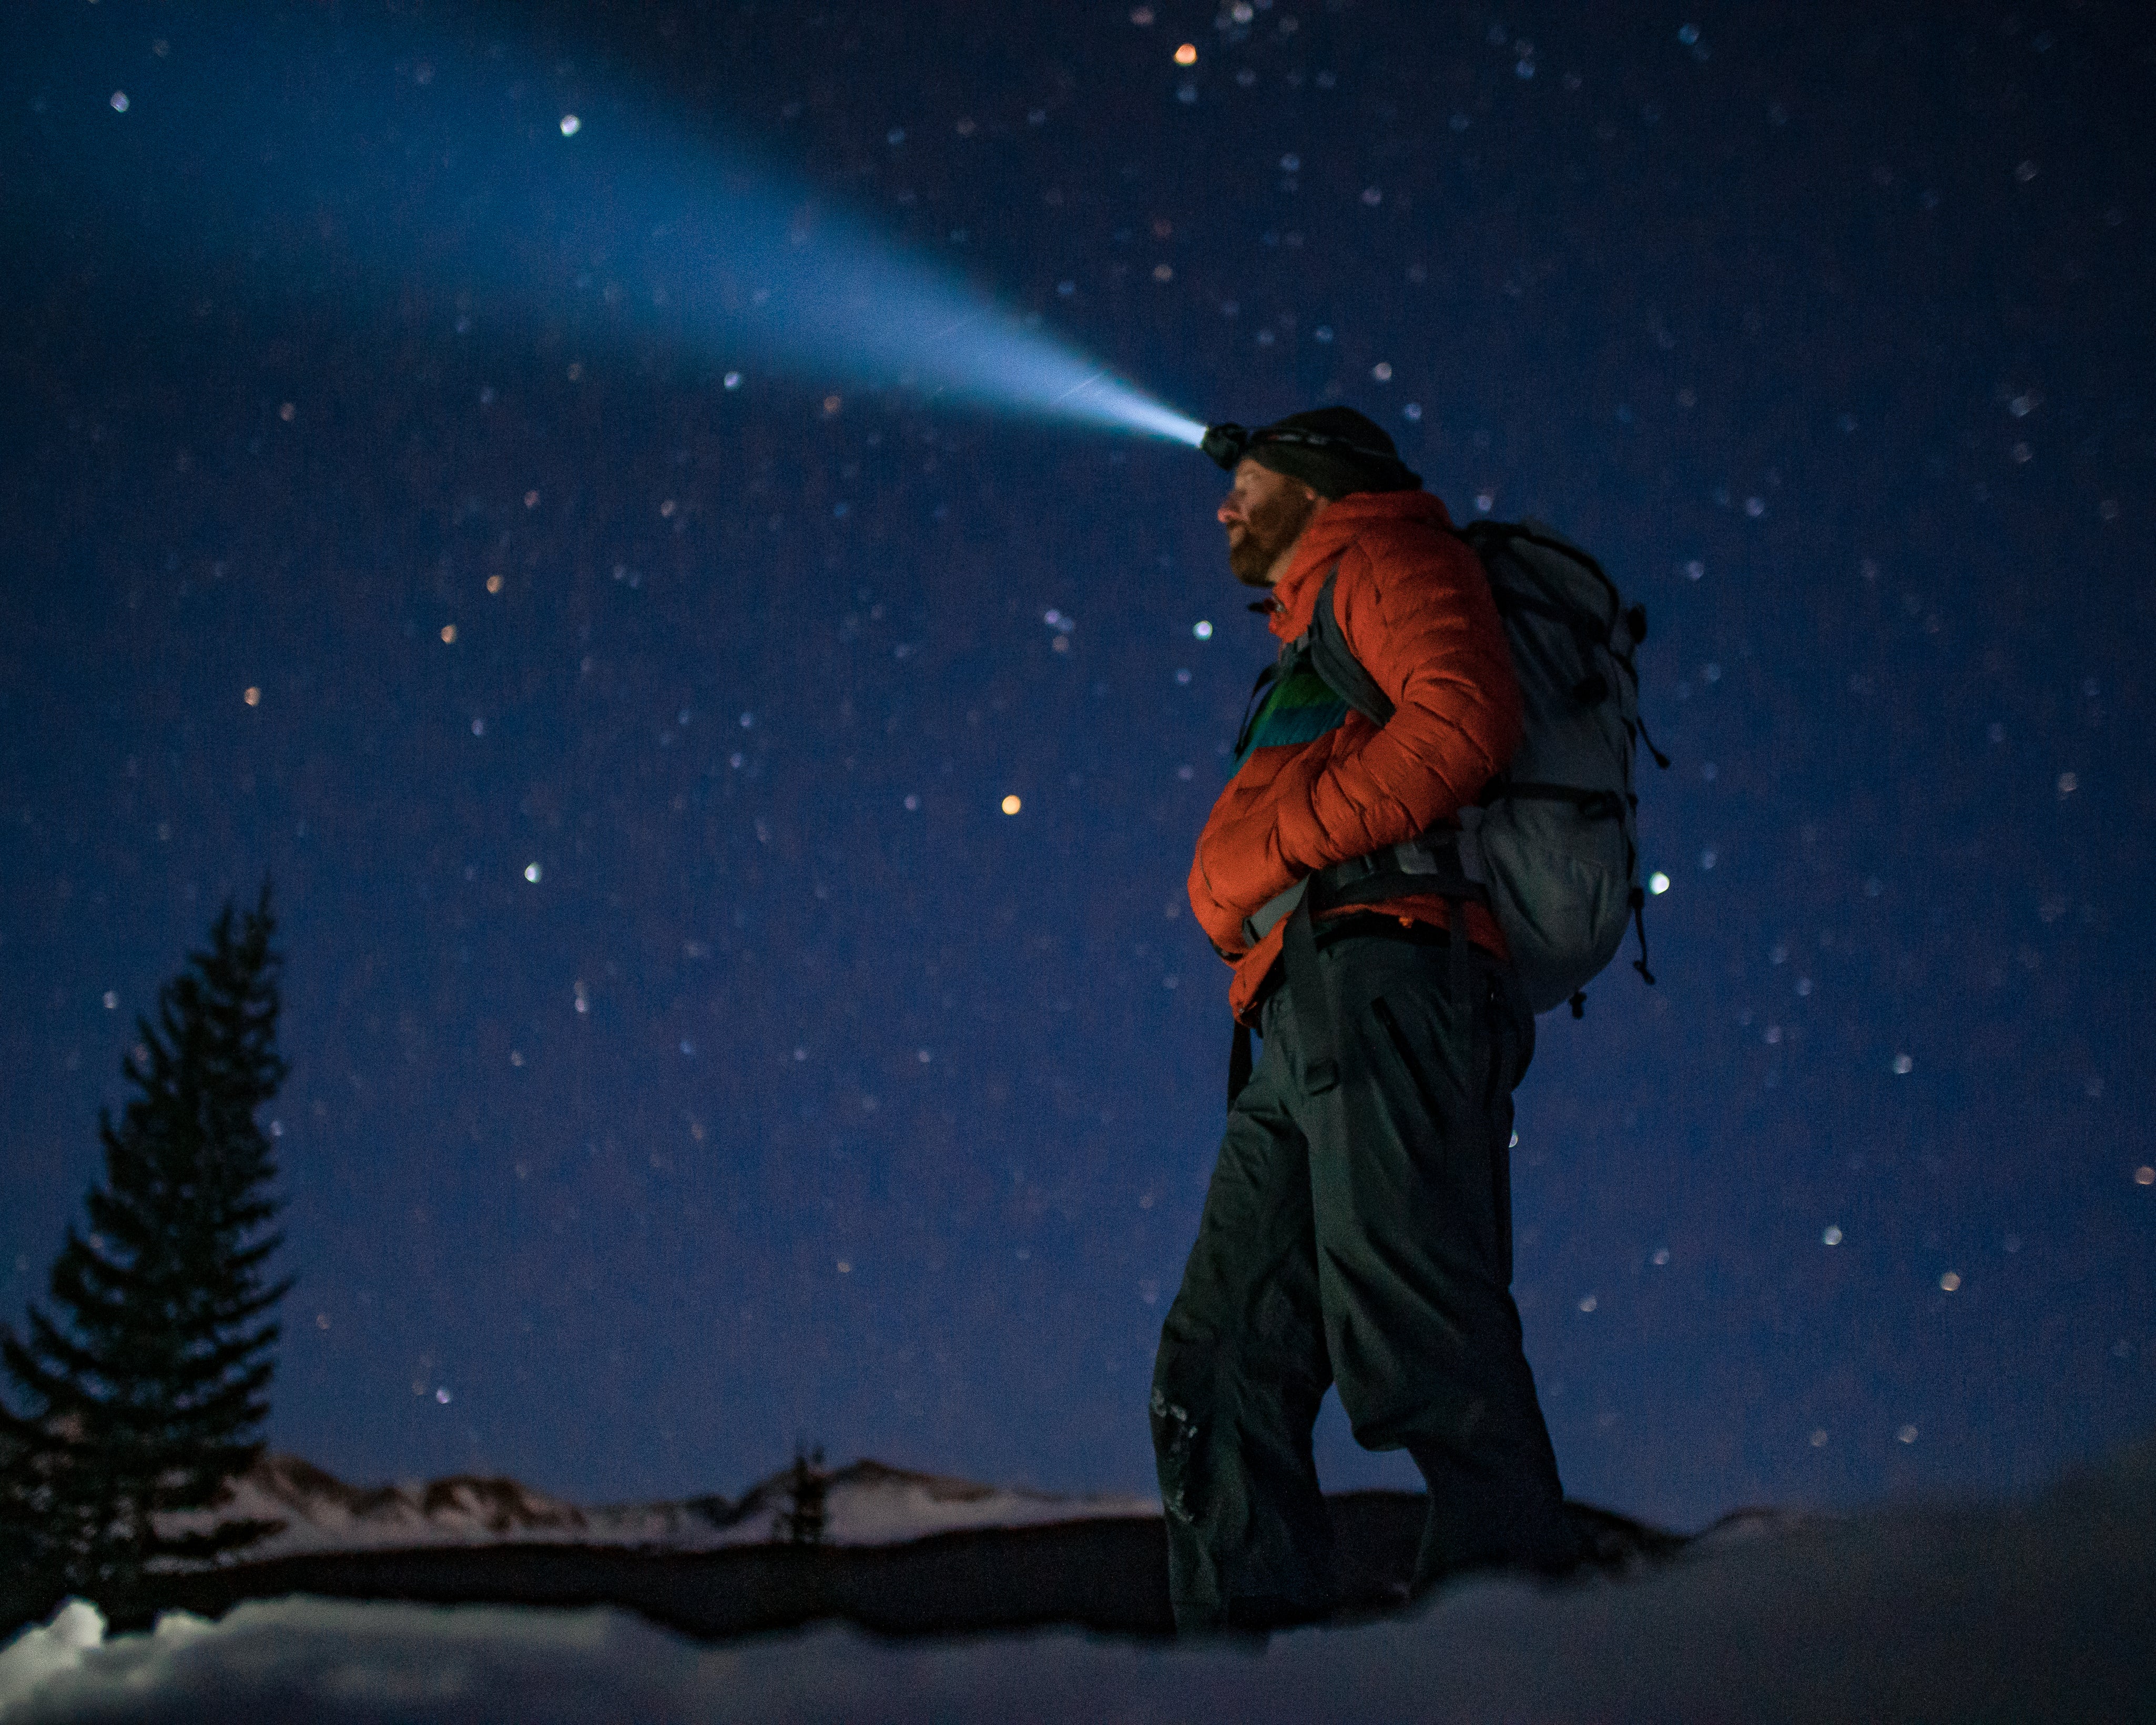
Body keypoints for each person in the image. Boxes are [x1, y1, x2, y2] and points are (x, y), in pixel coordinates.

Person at [1150, 406, 1579, 1635]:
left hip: (1386, 969)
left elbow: (1462, 720)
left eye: (1248, 482)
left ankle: (1521, 1664)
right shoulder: (1312, 623)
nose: (1225, 505)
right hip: (1312, 1007)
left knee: (1421, 1332)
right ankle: (1245, 1683)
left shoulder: (1390, 557)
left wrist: (1286, 854)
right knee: (1219, 1361)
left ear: (1319, 485)